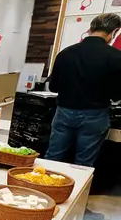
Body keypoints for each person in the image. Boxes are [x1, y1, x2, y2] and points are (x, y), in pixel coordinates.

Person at [45, 13, 121, 166]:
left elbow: (53, 87)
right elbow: (117, 94)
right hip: (95, 115)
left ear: (91, 28)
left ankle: (42, 180)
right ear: (114, 32)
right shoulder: (115, 56)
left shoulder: (66, 53)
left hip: (64, 112)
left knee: (53, 156)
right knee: (83, 164)